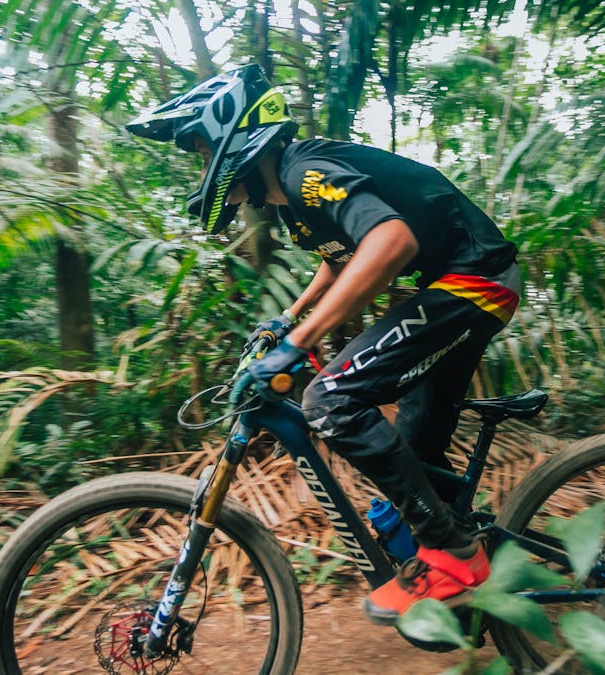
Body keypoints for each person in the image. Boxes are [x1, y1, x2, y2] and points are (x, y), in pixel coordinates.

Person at [127, 65, 521, 625]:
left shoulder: (306, 172)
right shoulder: (292, 192)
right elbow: (340, 259)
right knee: (416, 449)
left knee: (330, 398)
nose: (200, 165)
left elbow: (390, 241)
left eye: (199, 149)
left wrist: (301, 344)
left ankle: (455, 554)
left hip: (475, 282)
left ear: (230, 136)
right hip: (462, 284)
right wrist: (286, 321)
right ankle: (468, 567)